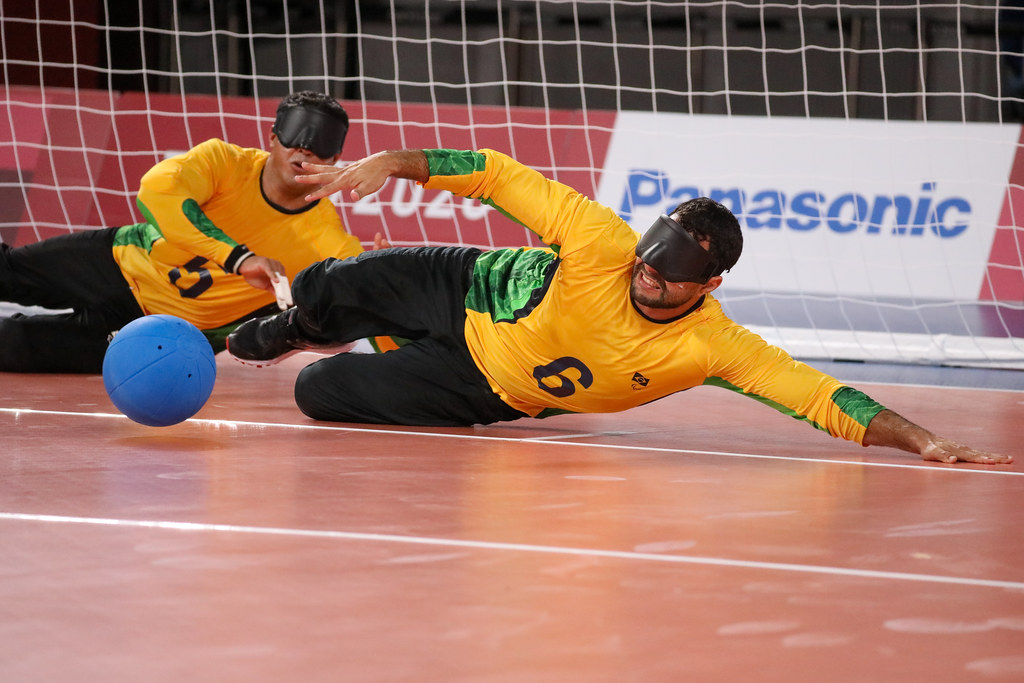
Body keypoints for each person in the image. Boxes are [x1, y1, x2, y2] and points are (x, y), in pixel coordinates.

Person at [226, 148, 1013, 467]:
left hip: (487, 385)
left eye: (670, 276)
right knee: (330, 285)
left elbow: (818, 397)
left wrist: (925, 440)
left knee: (318, 395)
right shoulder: (604, 242)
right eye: (648, 257)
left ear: (708, 286)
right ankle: (302, 324)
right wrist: (401, 163)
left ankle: (366, 347)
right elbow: (501, 177)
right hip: (466, 286)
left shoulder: (713, 347)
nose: (647, 276)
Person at [0, 90, 387, 373]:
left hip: (163, 336)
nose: (304, 150)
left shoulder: (325, 240)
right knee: (7, 272)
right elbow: (157, 190)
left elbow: (349, 320)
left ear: (336, 159)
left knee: (12, 348)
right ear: (272, 137)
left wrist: (388, 275)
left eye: (321, 145)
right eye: (295, 134)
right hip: (119, 263)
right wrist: (238, 258)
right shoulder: (223, 162)